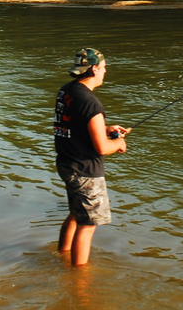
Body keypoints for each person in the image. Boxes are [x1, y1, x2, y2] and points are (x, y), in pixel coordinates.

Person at [54, 47, 129, 266]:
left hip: (67, 164)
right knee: (87, 225)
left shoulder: (67, 91)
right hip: (85, 170)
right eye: (104, 68)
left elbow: (75, 124)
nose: (105, 72)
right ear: (94, 69)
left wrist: (105, 128)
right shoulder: (91, 102)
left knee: (76, 215)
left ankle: (61, 255)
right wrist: (119, 143)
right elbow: (102, 148)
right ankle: (79, 280)